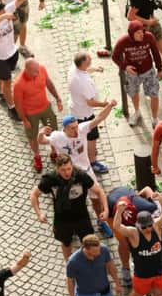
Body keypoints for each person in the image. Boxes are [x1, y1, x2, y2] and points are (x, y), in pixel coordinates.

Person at [37, 101, 117, 238]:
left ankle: (101, 220)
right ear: (65, 129)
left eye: (76, 126)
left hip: (85, 170)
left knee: (96, 197)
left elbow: (98, 118)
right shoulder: (58, 137)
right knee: (68, 199)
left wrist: (109, 106)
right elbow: (42, 141)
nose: (76, 130)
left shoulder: (82, 129)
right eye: (72, 128)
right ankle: (69, 226)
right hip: (68, 173)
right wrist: (40, 133)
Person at [30, 154, 109, 260]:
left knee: (89, 242)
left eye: (69, 169)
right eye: (63, 170)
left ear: (72, 166)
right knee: (66, 242)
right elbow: (34, 195)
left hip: (81, 215)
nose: (67, 173)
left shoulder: (80, 175)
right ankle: (69, 265)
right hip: (61, 217)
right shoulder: (50, 179)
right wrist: (39, 213)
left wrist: (106, 209)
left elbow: (99, 191)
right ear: (57, 169)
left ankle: (89, 262)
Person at [13, 57, 62, 172]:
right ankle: (37, 156)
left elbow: (49, 84)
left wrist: (58, 98)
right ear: (27, 70)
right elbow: (18, 104)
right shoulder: (19, 84)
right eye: (35, 71)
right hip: (30, 114)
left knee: (53, 130)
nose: (38, 72)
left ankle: (54, 151)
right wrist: (24, 120)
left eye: (38, 69)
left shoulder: (41, 69)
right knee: (32, 136)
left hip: (45, 107)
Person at [107, 186, 162, 287]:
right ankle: (125, 269)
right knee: (124, 243)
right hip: (114, 208)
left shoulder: (152, 208)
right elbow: (117, 226)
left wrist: (138, 196)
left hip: (129, 195)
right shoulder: (151, 209)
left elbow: (146, 189)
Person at [112, 20, 162, 128]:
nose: (141, 35)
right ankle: (137, 112)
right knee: (133, 92)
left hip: (148, 71)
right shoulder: (123, 41)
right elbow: (115, 56)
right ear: (131, 33)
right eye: (138, 33)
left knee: (154, 94)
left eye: (142, 32)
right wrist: (125, 66)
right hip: (133, 73)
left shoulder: (148, 37)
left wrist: (159, 69)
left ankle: (154, 118)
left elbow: (155, 52)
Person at [68, 51, 110, 173]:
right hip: (84, 113)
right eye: (89, 62)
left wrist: (95, 69)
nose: (91, 62)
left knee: (81, 135)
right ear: (82, 64)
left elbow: (85, 69)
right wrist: (103, 104)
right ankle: (92, 162)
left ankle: (85, 153)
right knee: (92, 137)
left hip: (75, 108)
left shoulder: (74, 68)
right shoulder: (83, 82)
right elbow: (90, 102)